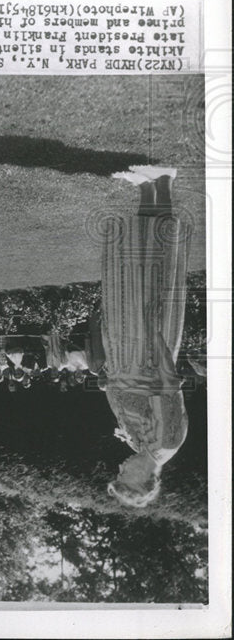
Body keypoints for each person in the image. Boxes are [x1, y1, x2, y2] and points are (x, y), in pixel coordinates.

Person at [101, 166, 190, 508]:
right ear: (146, 480)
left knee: (136, 267)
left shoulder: (141, 446)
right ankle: (164, 181)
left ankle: (144, 188)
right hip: (148, 345)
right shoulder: (166, 442)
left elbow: (123, 399)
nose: (120, 467)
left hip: (127, 349)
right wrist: (151, 333)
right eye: (125, 475)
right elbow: (168, 386)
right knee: (155, 266)